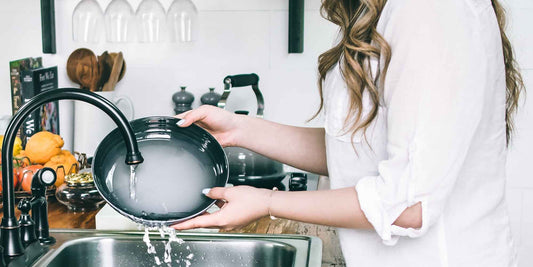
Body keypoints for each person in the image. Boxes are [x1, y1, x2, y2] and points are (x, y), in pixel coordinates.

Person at [172, 0, 524, 266]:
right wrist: (240, 129)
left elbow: (409, 204)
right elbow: (358, 153)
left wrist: (266, 202)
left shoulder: (430, 10)